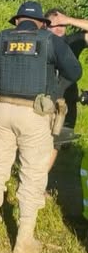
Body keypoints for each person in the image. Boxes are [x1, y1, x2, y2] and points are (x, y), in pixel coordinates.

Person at [0, 1, 82, 253]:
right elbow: (75, 71)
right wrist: (54, 91)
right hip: (34, 113)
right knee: (32, 174)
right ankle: (24, 242)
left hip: (1, 110)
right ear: (41, 23)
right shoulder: (50, 41)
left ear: (17, 21)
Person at [44, 8, 88, 164]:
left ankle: (40, 177)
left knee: (57, 142)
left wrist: (69, 19)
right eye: (54, 24)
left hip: (66, 101)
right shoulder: (40, 42)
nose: (59, 27)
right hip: (43, 99)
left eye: (62, 24)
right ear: (45, 26)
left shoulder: (72, 41)